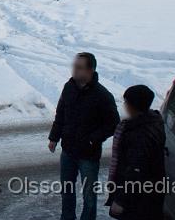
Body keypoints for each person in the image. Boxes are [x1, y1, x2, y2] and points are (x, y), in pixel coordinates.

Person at [48, 52, 120, 220]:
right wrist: (54, 137)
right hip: (68, 151)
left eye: (79, 67)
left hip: (88, 155)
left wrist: (92, 139)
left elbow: (113, 124)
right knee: (67, 191)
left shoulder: (102, 95)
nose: (74, 70)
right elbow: (61, 114)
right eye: (74, 66)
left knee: (89, 196)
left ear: (90, 70)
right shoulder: (69, 87)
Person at [105, 85, 166, 220]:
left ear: (133, 105)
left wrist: (120, 200)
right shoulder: (153, 122)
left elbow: (135, 171)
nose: (125, 105)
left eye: (126, 102)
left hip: (139, 199)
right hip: (150, 194)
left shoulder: (139, 134)